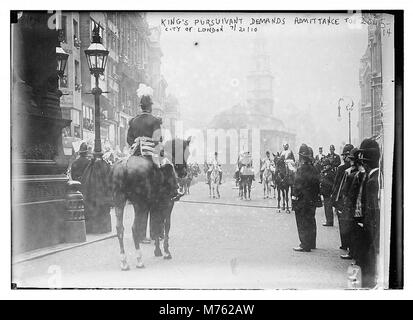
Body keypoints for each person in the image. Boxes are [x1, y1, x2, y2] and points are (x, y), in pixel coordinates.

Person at [127, 89, 183, 201]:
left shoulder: (133, 121)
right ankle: (174, 190)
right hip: (150, 152)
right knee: (168, 165)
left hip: (136, 152)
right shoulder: (154, 120)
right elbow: (157, 139)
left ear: (141, 106)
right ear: (150, 107)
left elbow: (129, 139)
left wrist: (136, 143)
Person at [356, 139, 381, 288]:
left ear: (366, 162)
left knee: (368, 274)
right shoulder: (375, 177)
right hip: (372, 234)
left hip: (370, 235)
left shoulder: (372, 181)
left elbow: (372, 214)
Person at [291, 144, 320, 252]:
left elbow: (297, 186)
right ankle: (312, 243)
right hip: (312, 200)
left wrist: (294, 198)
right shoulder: (314, 169)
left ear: (301, 157)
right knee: (311, 220)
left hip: (302, 201)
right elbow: (317, 185)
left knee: (302, 222)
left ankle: (304, 244)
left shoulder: (300, 170)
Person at [339, 147, 361, 260]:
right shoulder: (358, 173)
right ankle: (354, 252)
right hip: (357, 207)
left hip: (351, 206)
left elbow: (344, 191)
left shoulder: (351, 174)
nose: (351, 161)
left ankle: (352, 252)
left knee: (352, 230)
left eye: (352, 159)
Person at [330, 143, 354, 245]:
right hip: (350, 199)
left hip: (341, 198)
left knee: (342, 221)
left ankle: (344, 244)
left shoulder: (341, 168)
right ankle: (348, 244)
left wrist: (333, 199)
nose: (343, 157)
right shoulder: (354, 168)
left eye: (344, 155)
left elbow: (336, 185)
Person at [320, 157, 336, 227]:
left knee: (328, 208)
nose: (325, 167)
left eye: (326, 165)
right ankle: (328, 221)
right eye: (324, 165)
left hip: (328, 193)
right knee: (326, 207)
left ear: (329, 165)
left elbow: (333, 184)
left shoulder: (331, 173)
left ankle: (329, 221)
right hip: (325, 193)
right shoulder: (326, 173)